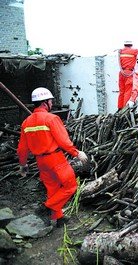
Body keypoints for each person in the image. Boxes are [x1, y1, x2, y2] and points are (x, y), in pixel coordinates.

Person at [17, 87, 88, 227]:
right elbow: (63, 140)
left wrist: (23, 164)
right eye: (50, 101)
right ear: (45, 103)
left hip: (41, 162)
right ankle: (47, 208)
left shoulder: (26, 122)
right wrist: (76, 153)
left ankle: (59, 219)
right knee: (71, 186)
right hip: (55, 159)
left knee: (53, 189)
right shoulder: (51, 119)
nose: (51, 104)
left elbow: (22, 149)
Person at [117, 40, 138, 110]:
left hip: (121, 73)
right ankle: (125, 109)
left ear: (124, 44)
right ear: (131, 45)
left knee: (121, 91)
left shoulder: (121, 51)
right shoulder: (134, 51)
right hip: (129, 73)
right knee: (128, 92)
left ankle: (119, 108)